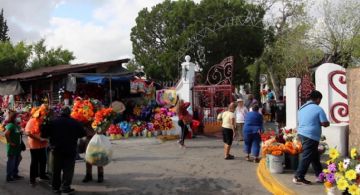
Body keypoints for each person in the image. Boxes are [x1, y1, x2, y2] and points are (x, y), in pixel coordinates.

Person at [41, 107, 86, 194]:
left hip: (56, 149)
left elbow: (44, 134)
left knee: (56, 170)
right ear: (69, 113)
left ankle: (55, 188)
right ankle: (65, 187)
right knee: (68, 170)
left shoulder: (53, 122)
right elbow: (82, 134)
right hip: (70, 149)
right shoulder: (75, 122)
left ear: (60, 113)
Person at [293, 90, 329, 185]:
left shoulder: (302, 108)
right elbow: (324, 123)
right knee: (307, 156)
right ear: (318, 99)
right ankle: (298, 176)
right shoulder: (318, 109)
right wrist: (327, 123)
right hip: (311, 136)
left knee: (314, 156)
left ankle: (320, 176)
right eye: (320, 100)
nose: (320, 102)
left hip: (302, 133)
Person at [25, 107, 50, 185]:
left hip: (43, 145)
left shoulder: (42, 121)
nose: (44, 115)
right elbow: (28, 133)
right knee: (34, 162)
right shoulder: (31, 121)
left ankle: (42, 175)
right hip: (34, 145)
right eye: (43, 114)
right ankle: (32, 179)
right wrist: (39, 139)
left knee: (43, 160)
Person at [4, 110, 24, 182]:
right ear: (14, 117)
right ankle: (9, 176)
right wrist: (10, 142)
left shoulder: (16, 125)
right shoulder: (11, 125)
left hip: (17, 147)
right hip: (12, 147)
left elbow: (19, 132)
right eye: (17, 116)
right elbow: (6, 134)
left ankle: (15, 174)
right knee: (11, 161)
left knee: (18, 158)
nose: (19, 118)